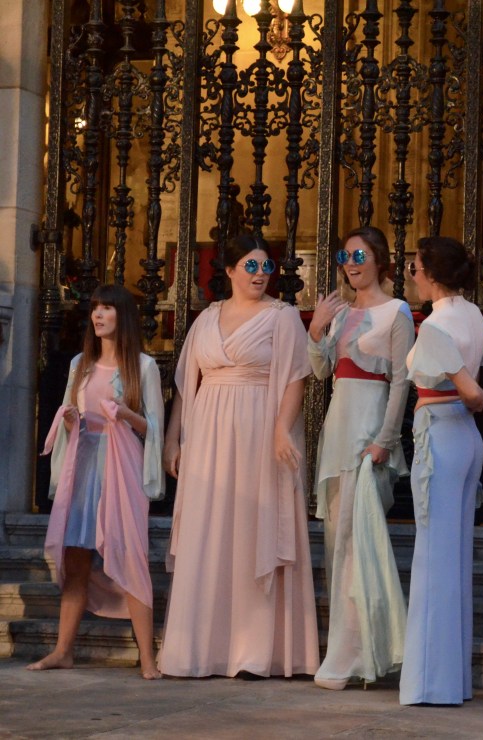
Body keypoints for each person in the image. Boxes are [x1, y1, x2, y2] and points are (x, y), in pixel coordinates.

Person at [158, 233, 319, 678]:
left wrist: (281, 430)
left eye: (266, 266)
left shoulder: (282, 316)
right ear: (229, 270)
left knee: (252, 529)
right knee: (209, 530)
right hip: (207, 434)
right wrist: (173, 439)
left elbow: (296, 378)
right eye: (251, 266)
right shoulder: (206, 319)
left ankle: (254, 651)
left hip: (257, 433)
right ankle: (200, 649)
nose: (260, 274)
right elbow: (186, 386)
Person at [28, 284, 164, 679]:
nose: (98, 316)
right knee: (76, 560)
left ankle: (148, 659)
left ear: (123, 315)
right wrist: (71, 421)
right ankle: (63, 651)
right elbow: (73, 418)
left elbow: (153, 428)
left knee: (132, 558)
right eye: (95, 309)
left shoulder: (143, 367)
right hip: (84, 464)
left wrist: (125, 413)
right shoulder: (80, 364)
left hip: (121, 468)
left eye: (106, 308)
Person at [308, 226, 414, 690]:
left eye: (359, 256)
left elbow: (402, 380)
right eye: (344, 257)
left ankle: (355, 656)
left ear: (379, 260)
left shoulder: (397, 312)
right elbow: (320, 371)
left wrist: (385, 439)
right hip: (338, 430)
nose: (350, 264)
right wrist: (316, 329)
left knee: (358, 543)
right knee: (338, 543)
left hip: (369, 435)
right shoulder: (342, 313)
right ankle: (347, 653)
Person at [399, 236, 483, 706]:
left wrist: (465, 396)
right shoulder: (471, 314)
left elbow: (473, 392)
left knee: (435, 554)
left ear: (430, 274)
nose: (412, 276)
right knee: (453, 552)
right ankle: (449, 680)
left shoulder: (436, 324)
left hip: (441, 430)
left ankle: (430, 682)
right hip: (464, 437)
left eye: (414, 268)